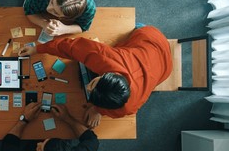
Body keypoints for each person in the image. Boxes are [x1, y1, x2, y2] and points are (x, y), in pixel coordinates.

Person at [18, 25, 173, 127]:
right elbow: (69, 46)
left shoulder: (129, 107)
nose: (87, 86)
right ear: (107, 74)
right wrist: (38, 49)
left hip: (164, 66)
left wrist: (97, 110)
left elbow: (112, 109)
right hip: (152, 38)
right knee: (138, 27)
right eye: (92, 83)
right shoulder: (104, 57)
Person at [24, 0, 96, 36]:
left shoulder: (89, 10)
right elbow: (29, 12)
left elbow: (83, 27)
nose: (48, 8)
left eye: (56, 12)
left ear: (68, 17)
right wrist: (44, 24)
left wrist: (64, 29)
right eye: (52, 2)